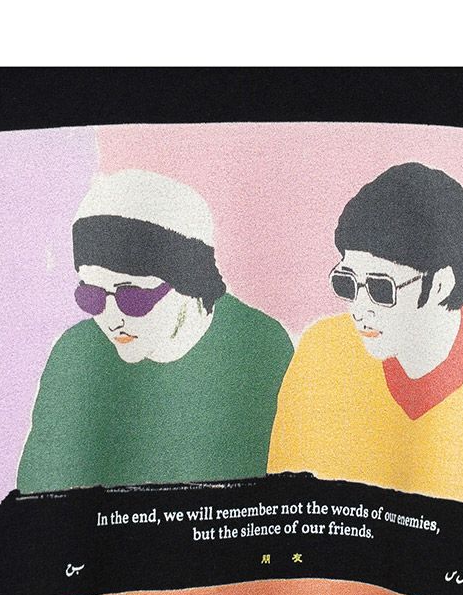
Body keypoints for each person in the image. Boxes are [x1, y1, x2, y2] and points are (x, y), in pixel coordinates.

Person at [267, 162, 463, 516]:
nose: (358, 309)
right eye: (346, 283)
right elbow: (286, 506)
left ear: (441, 284)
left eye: (381, 289)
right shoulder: (322, 351)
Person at [18, 169, 293, 493]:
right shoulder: (76, 352)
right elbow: (40, 490)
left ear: (190, 283)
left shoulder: (260, 345)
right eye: (91, 296)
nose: (111, 319)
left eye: (132, 297)